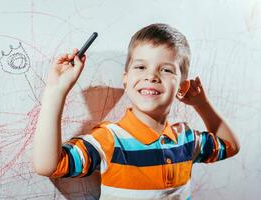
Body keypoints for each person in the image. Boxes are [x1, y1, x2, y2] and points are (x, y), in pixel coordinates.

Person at [33, 23, 240, 200]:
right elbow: (48, 165)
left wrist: (201, 104)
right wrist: (56, 91)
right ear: (126, 78)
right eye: (141, 67)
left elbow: (229, 146)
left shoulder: (186, 140)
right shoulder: (109, 140)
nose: (151, 76)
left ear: (182, 87)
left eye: (166, 69)